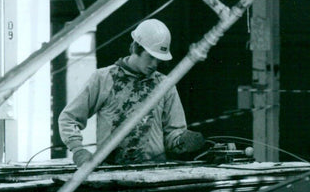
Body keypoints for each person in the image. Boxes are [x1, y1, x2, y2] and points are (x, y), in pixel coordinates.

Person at [58, 18, 205, 167]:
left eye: (159, 60)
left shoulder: (165, 85)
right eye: (151, 57)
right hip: (109, 174)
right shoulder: (103, 78)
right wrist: (78, 150)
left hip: (154, 174)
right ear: (136, 48)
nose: (155, 65)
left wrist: (182, 140)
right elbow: (68, 118)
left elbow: (173, 135)